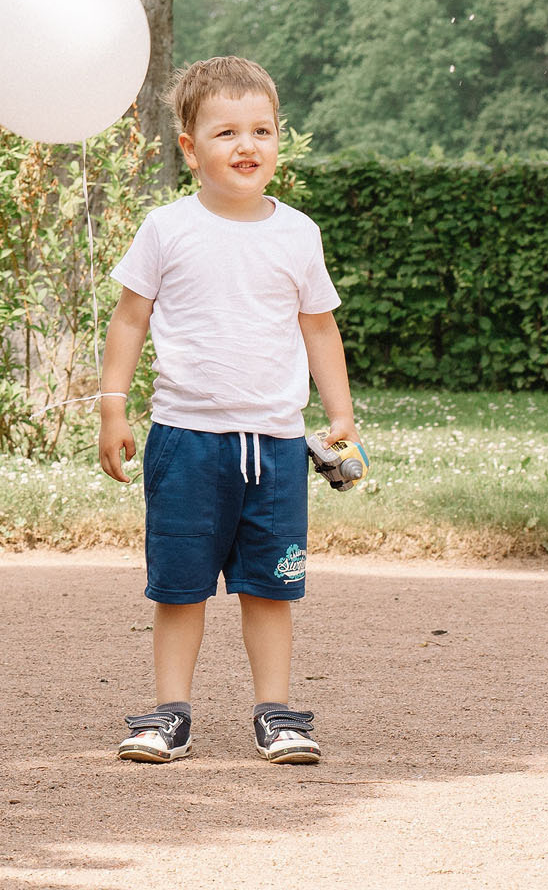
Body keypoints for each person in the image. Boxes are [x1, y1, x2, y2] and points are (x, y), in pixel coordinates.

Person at [96, 56, 358, 765]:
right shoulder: (166, 228)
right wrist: (113, 409)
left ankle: (277, 714)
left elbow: (319, 327)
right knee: (179, 589)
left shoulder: (298, 233)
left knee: (270, 588)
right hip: (186, 442)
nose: (248, 145)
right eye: (226, 133)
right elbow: (129, 319)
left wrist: (341, 415)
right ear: (190, 148)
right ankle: (168, 716)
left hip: (275, 445)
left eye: (262, 130)